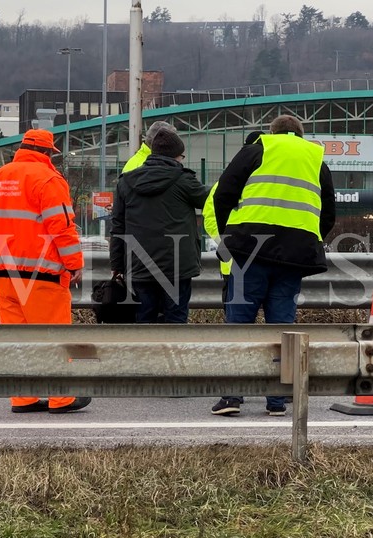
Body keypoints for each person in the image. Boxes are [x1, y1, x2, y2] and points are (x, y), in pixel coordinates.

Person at [210, 115, 336, 417]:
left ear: (273, 131)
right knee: (283, 327)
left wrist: (230, 233)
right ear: (300, 134)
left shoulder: (258, 148)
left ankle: (231, 397)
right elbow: (329, 211)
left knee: (239, 322)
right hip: (294, 256)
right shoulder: (315, 159)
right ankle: (277, 400)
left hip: (250, 250)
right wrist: (309, 238)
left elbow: (223, 191)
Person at [0, 128, 92, 414]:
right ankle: (61, 397)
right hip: (42, 275)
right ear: (49, 153)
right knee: (54, 336)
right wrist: (74, 264)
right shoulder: (49, 179)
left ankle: (23, 397)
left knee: (18, 339)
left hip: (3, 274)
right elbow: (61, 227)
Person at [110, 128, 209, 324]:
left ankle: (146, 354)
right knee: (176, 320)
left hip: (140, 264)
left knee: (144, 319)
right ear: (176, 156)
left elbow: (118, 226)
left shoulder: (126, 183)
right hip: (177, 267)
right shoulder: (184, 181)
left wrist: (116, 264)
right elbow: (213, 200)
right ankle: (171, 354)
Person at [202, 131, 262, 304]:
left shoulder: (228, 181)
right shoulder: (228, 181)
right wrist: (227, 240)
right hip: (235, 264)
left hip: (257, 261)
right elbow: (210, 217)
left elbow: (210, 217)